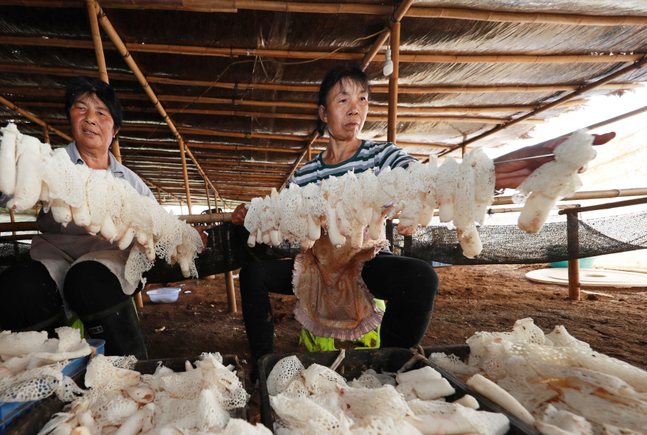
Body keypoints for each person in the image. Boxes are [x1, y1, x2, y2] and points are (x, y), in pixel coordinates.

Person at [231, 63, 615, 369]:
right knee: (253, 274)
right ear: (323, 112)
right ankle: (263, 362)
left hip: (364, 260)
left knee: (420, 277)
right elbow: (284, 217)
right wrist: (251, 214)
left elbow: (423, 181)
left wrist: (501, 169)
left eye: (363, 100)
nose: (356, 109)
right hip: (317, 265)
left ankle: (390, 364)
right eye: (343, 99)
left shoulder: (382, 156)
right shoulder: (305, 174)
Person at [0, 76, 206, 359]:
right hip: (56, 257)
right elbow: (2, 182)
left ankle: (128, 365)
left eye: (101, 112)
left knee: (90, 281)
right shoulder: (48, 163)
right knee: (16, 289)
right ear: (70, 117)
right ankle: (55, 364)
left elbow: (159, 225)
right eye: (81, 109)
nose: (90, 118)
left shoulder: (130, 181)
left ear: (115, 129)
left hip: (110, 263)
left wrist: (189, 238)